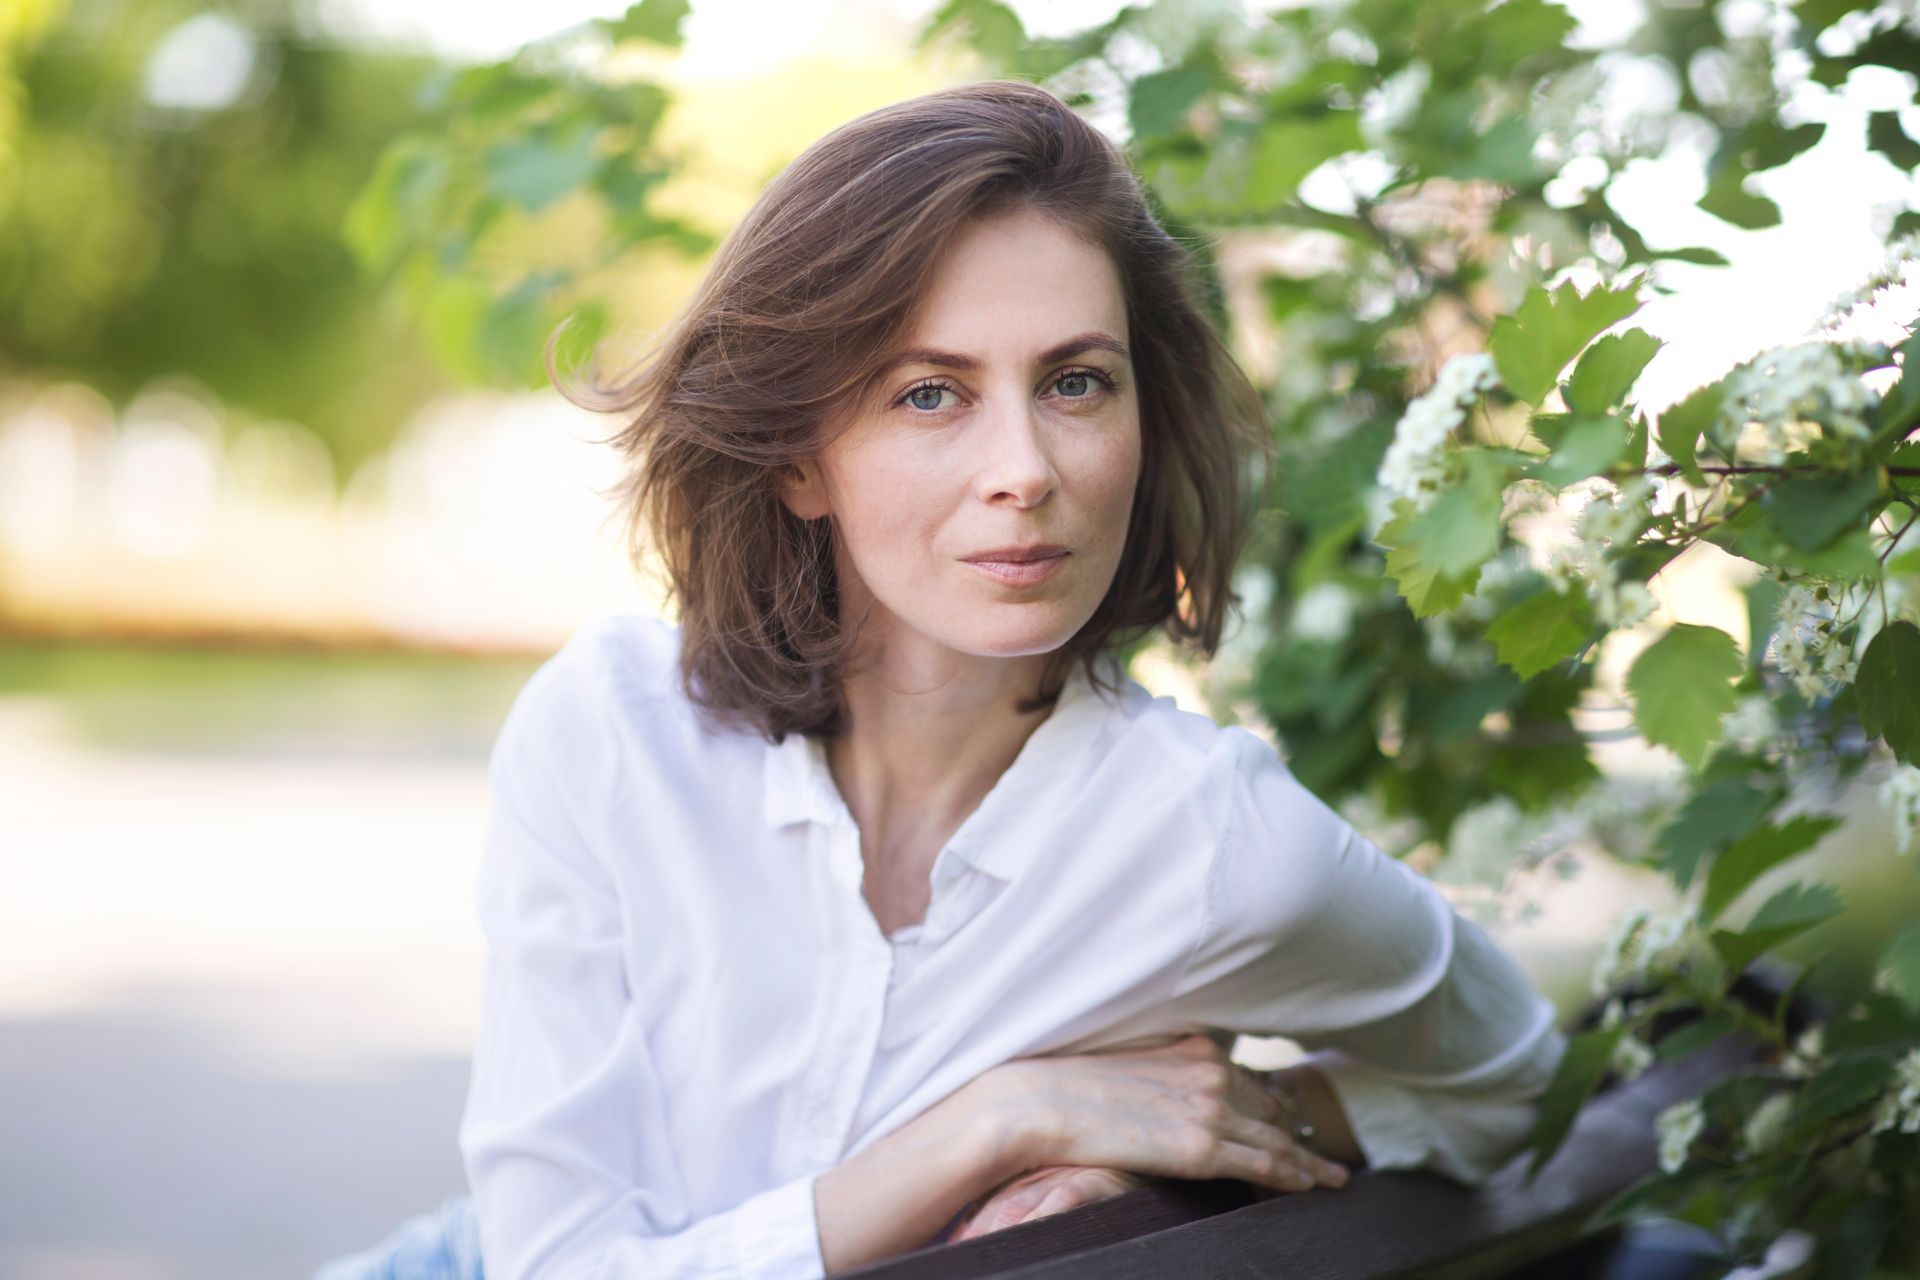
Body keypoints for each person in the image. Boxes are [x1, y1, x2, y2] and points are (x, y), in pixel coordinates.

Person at [313, 78, 1567, 1280]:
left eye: (1077, 381)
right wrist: (1005, 1116)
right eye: (930, 393)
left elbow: (1512, 1076)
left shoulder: (1216, 840)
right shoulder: (614, 730)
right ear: (800, 460)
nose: (1024, 466)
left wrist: (1213, 1123)